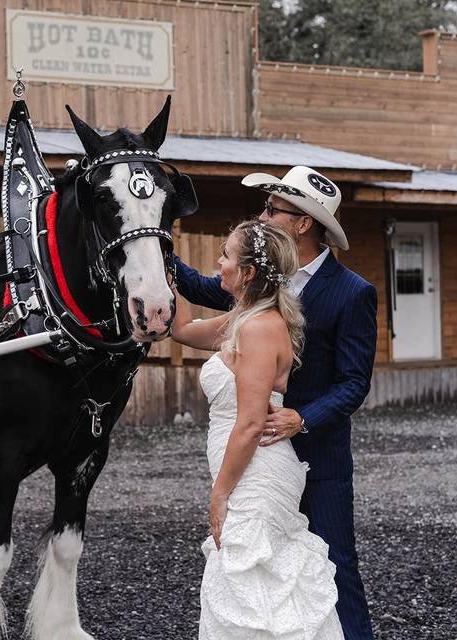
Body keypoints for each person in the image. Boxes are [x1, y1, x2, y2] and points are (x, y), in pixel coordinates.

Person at [174, 166, 377, 640]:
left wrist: (302, 418)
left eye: (272, 209)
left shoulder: (353, 293)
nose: (263, 214)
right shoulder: (260, 286)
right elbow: (208, 287)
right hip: (256, 458)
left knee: (330, 568)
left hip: (318, 456)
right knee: (263, 575)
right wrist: (154, 246)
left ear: (303, 223)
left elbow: (354, 383)